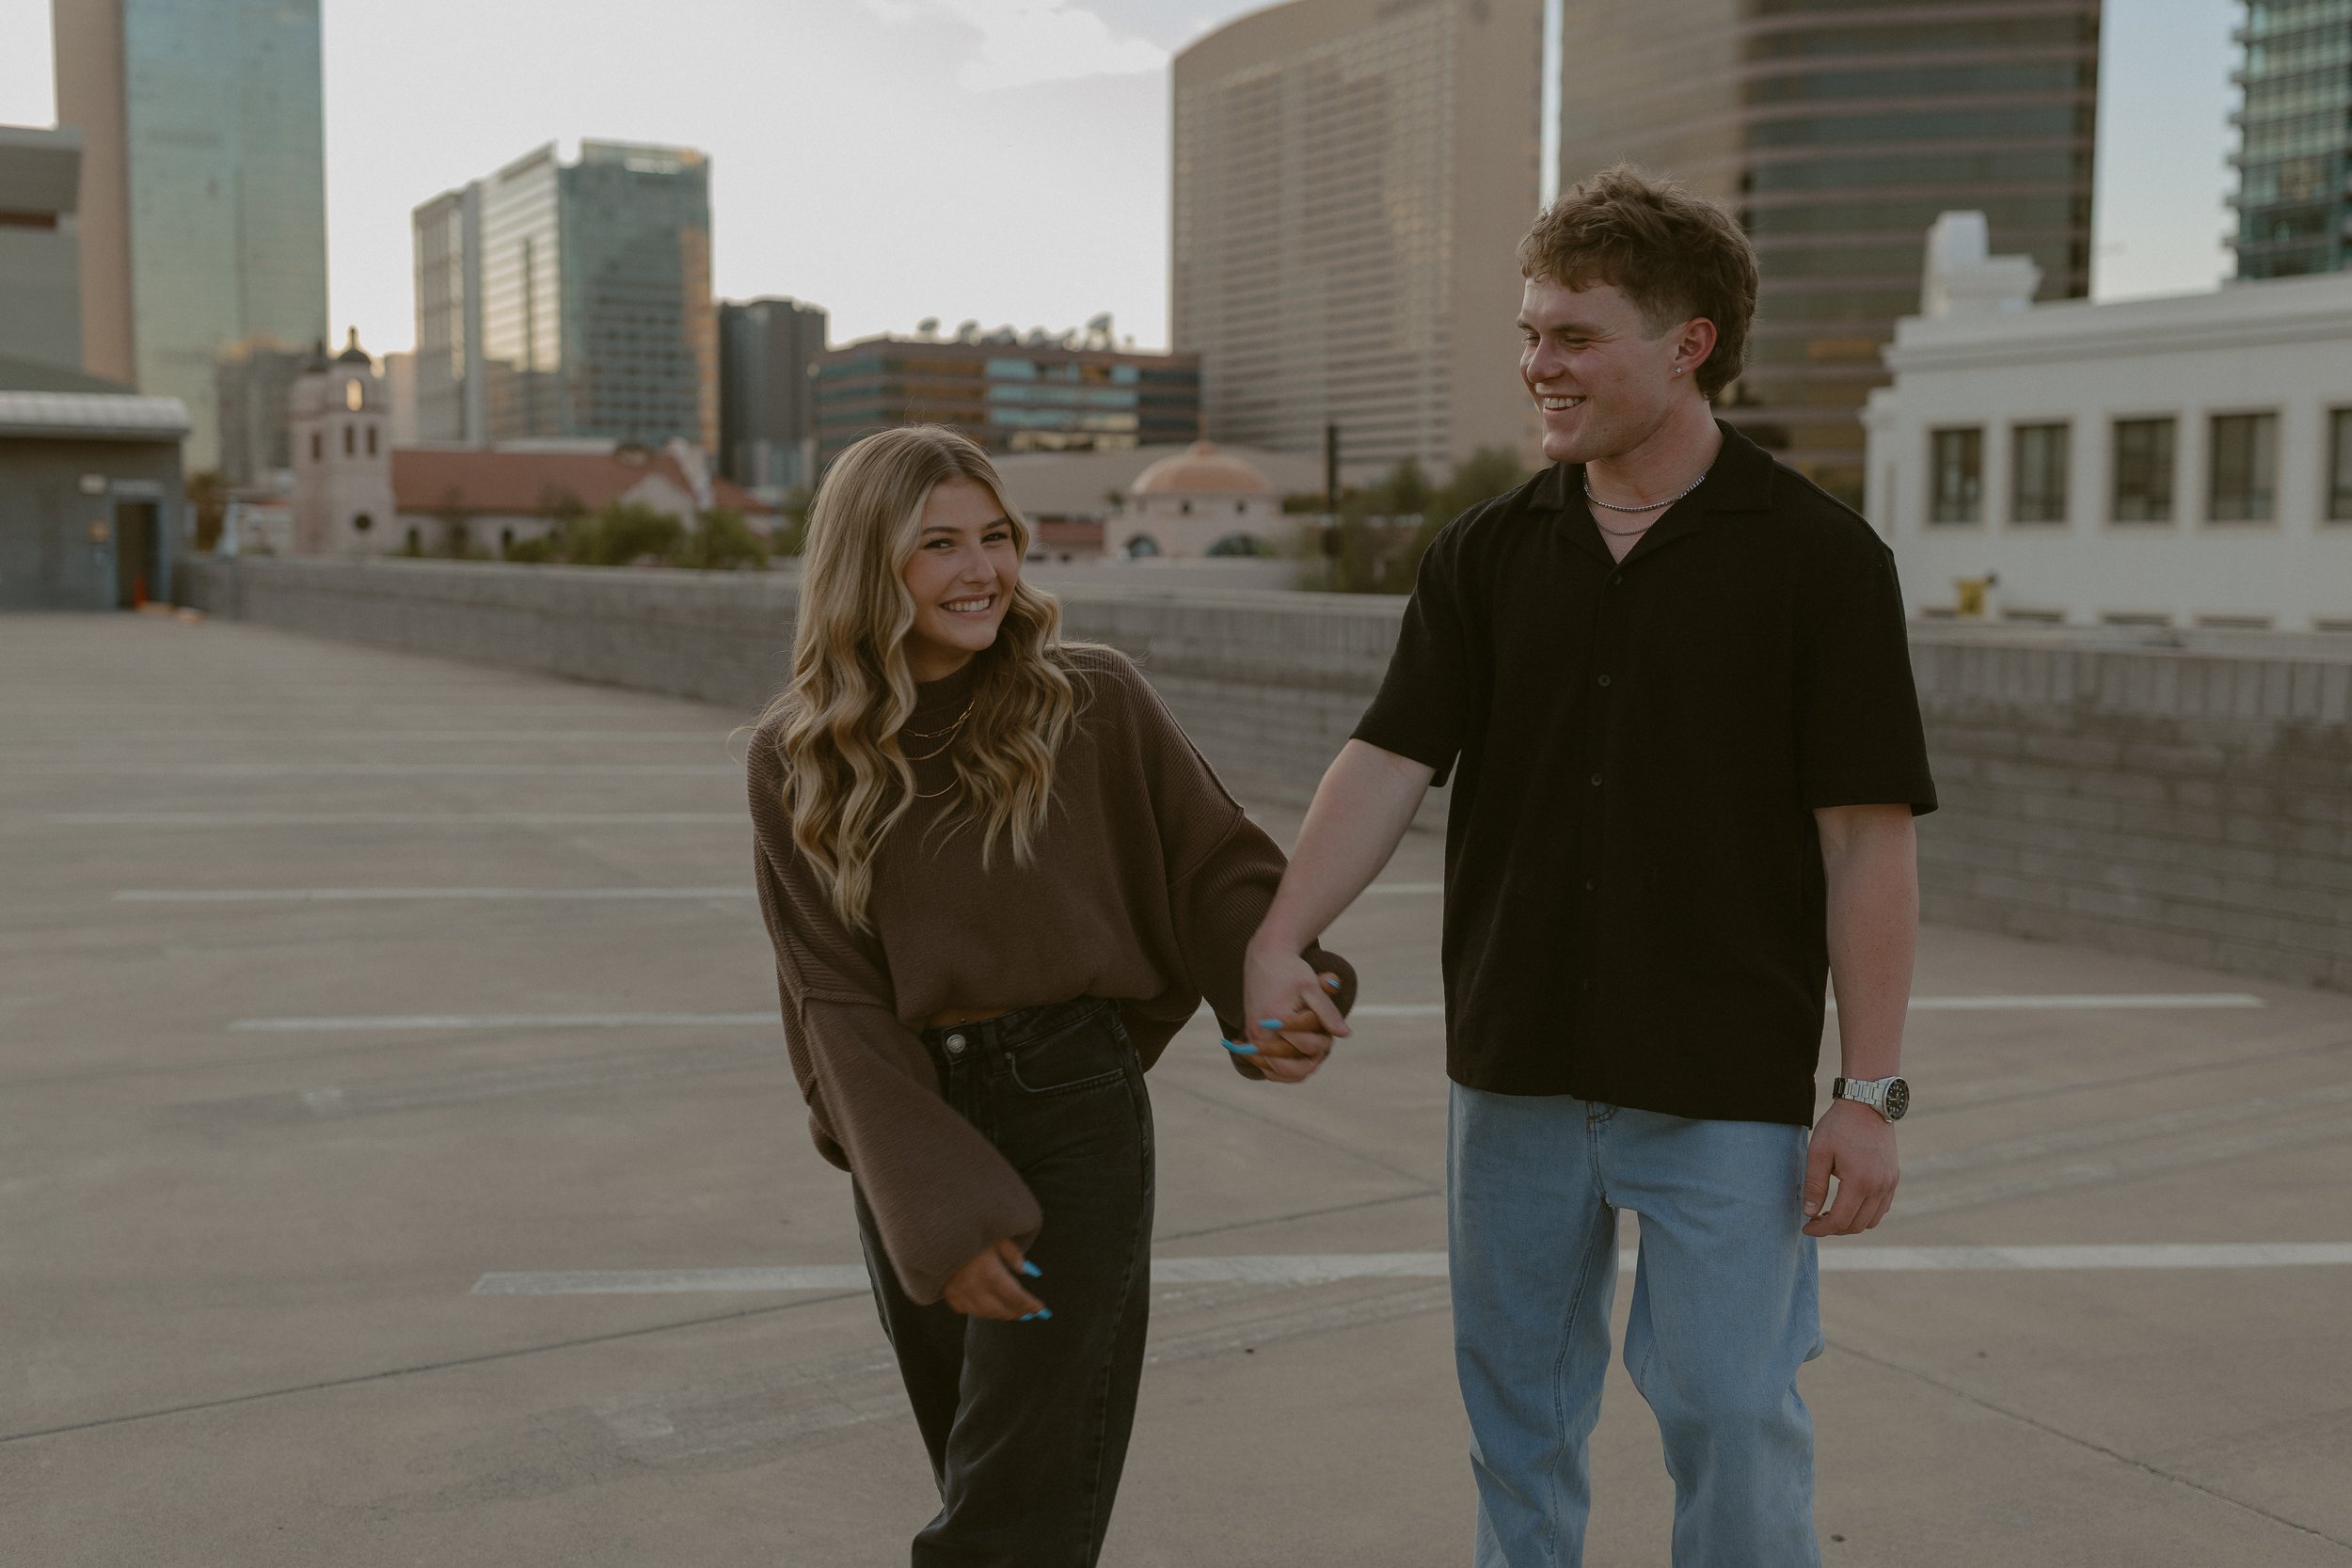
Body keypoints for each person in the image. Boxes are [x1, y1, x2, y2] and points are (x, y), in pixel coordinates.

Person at [1242, 166, 1937, 1566]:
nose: (1536, 366)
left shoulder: (1821, 561)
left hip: (1723, 1080)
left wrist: (1867, 1092)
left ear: (1688, 343)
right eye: (1529, 332)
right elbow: (1386, 762)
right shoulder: (1485, 556)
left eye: (1572, 335)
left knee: (1733, 1409)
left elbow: (1868, 836)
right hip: (1516, 1068)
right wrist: (1277, 932)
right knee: (1519, 1422)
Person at [744, 424, 1354, 1568]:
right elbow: (835, 1001)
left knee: (1006, 1513)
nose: (981, 569)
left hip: (1073, 1111)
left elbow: (1213, 867)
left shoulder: (1091, 699)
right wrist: (934, 1205)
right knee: (994, 1476)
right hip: (910, 1133)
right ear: (867, 564)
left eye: (995, 537)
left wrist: (1276, 987)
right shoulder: (797, 757)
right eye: (938, 545)